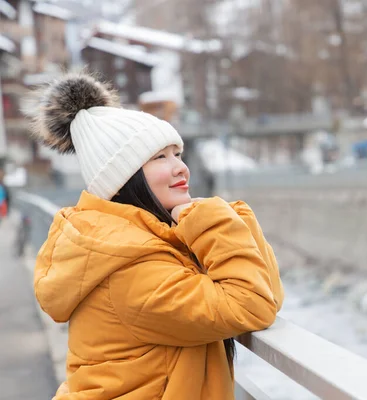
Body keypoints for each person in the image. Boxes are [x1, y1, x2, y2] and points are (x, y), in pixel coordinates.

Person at [27, 73, 284, 399]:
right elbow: (252, 305)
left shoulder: (147, 239)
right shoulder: (126, 263)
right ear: (123, 178)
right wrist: (216, 221)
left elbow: (267, 295)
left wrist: (235, 219)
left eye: (178, 153)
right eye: (160, 157)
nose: (180, 167)